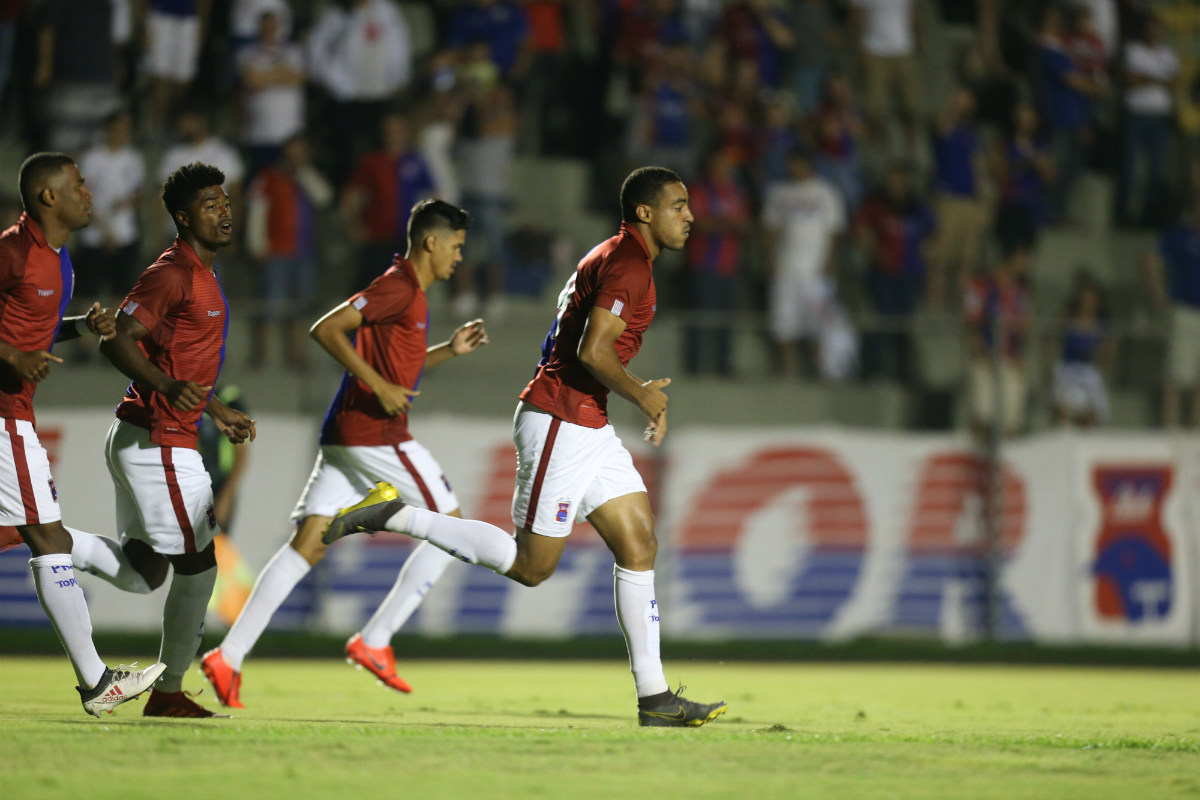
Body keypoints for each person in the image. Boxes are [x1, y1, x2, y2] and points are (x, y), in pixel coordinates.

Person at [322, 167, 727, 728]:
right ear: (645, 212)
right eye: (678, 205)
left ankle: (655, 699)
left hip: (586, 422)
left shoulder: (614, 255)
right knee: (533, 566)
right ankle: (396, 513)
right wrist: (641, 395)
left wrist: (634, 394)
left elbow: (592, 348)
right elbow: (592, 352)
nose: (690, 215)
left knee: (639, 544)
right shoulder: (629, 264)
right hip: (561, 418)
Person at [200, 199, 488, 707]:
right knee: (454, 526)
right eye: (457, 247)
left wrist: (448, 350)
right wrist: (377, 384)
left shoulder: (411, 295)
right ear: (431, 242)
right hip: (375, 434)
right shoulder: (398, 286)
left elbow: (399, 365)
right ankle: (376, 641)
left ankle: (229, 656)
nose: (460, 258)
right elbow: (326, 329)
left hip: (346, 436)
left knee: (307, 546)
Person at [0, 152, 164, 715]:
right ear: (49, 197)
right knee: (46, 537)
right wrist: (13, 358)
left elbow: (31, 330)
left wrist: (79, 329)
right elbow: (16, 344)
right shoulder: (13, 251)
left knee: (32, 533)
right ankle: (97, 682)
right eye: (78, 185)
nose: (89, 193)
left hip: (11, 407)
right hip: (2, 415)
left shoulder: (59, 261)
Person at [97, 162, 256, 717]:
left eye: (226, 201)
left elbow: (176, 363)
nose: (225, 211)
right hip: (157, 440)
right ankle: (167, 695)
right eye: (211, 204)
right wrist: (168, 387)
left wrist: (215, 409)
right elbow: (116, 337)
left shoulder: (203, 275)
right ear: (184, 217)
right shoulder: (173, 272)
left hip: (152, 433)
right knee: (199, 567)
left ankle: (45, 539)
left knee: (145, 573)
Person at [762, 148, 845, 379]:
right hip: (786, 266)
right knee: (783, 319)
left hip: (815, 268)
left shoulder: (825, 192)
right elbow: (771, 228)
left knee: (818, 320)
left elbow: (835, 230)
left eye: (799, 164)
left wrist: (830, 261)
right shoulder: (778, 192)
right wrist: (771, 258)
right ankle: (788, 370)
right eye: (791, 164)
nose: (794, 169)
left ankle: (821, 369)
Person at [1050, 273, 1111, 427]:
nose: (1087, 302)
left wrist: (1103, 351)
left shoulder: (1100, 326)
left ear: (1096, 301)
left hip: (1088, 371)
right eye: (1084, 298)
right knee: (1064, 406)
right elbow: (1049, 338)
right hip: (1067, 369)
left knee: (1095, 411)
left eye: (1091, 299)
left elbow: (1107, 355)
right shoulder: (1068, 319)